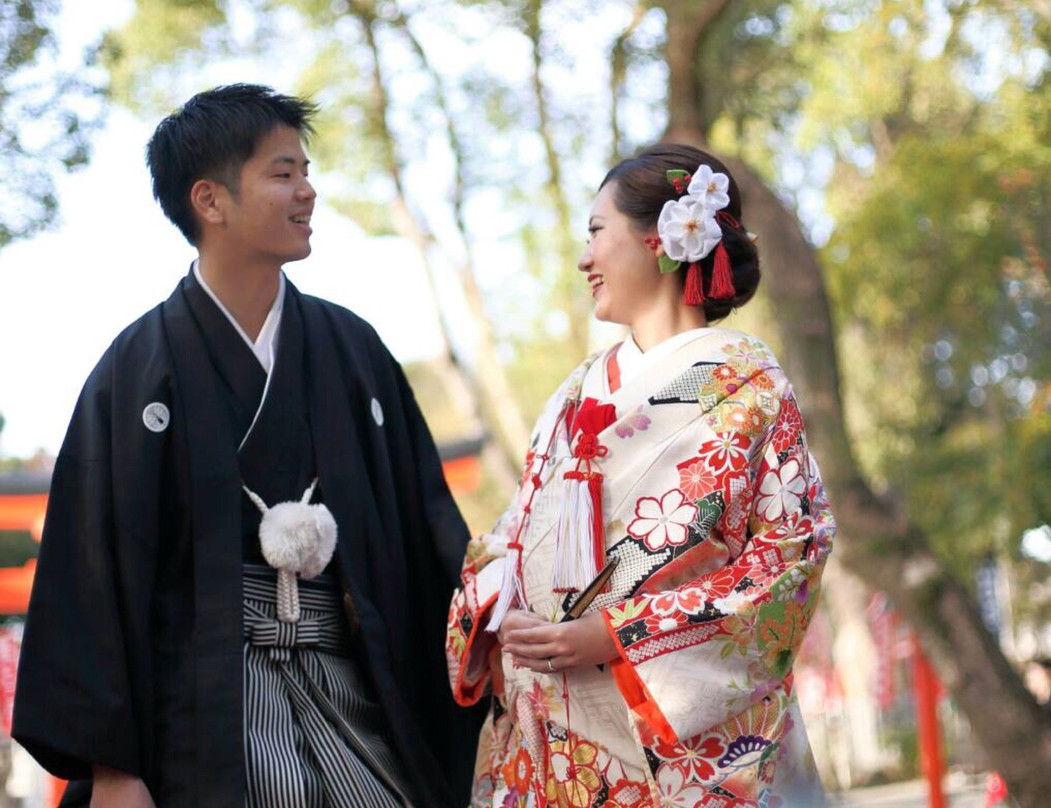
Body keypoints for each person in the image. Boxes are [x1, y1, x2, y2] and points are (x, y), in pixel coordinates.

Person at [13, 84, 480, 808]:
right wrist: (112, 767)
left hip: (354, 689)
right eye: (283, 173)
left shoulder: (351, 349)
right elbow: (91, 571)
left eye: (305, 171)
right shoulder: (135, 371)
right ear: (211, 201)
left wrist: (495, 632)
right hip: (196, 719)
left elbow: (427, 526)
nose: (308, 192)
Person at [446, 144, 835, 807]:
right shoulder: (575, 393)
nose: (584, 258)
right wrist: (499, 608)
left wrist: (620, 634)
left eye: (597, 232)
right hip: (562, 741)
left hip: (685, 744)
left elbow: (790, 555)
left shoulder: (750, 386)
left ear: (662, 238)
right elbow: (516, 533)